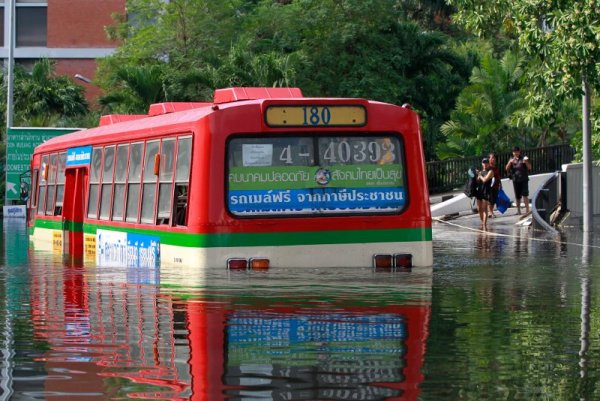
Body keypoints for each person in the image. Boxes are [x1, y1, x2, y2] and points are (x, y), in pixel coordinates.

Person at [505, 146, 532, 215]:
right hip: (516, 179)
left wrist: (526, 162)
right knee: (517, 196)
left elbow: (530, 168)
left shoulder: (523, 158)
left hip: (524, 179)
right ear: (512, 153)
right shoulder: (511, 159)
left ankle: (527, 210)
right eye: (514, 152)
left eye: (517, 151)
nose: (516, 153)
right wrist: (510, 162)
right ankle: (518, 210)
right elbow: (506, 168)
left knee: (525, 195)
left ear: (519, 152)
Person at [476, 158, 494, 227]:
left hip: (486, 191)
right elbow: (478, 181)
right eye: (484, 163)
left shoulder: (490, 171)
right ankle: (482, 222)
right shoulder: (480, 172)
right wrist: (476, 176)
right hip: (480, 191)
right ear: (482, 164)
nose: (485, 164)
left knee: (484, 208)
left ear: (488, 164)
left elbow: (485, 180)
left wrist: (479, 175)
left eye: (486, 163)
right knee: (479, 208)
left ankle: (484, 224)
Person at [487, 152, 501, 218]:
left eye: (494, 158)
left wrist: (500, 184)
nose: (493, 159)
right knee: (490, 199)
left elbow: (498, 176)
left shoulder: (496, 167)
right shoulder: (487, 167)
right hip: (490, 186)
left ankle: (491, 211)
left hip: (496, 185)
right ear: (489, 159)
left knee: (493, 200)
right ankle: (490, 212)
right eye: (491, 158)